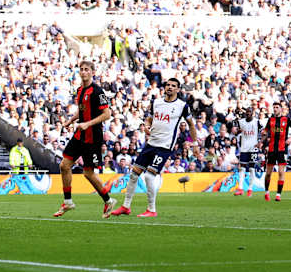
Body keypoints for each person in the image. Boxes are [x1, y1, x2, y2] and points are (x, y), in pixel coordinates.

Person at [111, 78, 197, 218]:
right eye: (168, 85)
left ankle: (151, 209)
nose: (169, 87)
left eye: (173, 86)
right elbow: (149, 119)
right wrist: (146, 126)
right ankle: (126, 206)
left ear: (178, 89)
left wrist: (195, 143)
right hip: (151, 143)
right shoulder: (156, 102)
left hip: (165, 146)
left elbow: (191, 125)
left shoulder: (182, 106)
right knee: (134, 174)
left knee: (150, 175)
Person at [54, 61, 116, 219]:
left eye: (86, 69)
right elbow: (82, 111)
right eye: (81, 69)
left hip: (92, 136)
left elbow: (107, 114)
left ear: (92, 72)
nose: (83, 72)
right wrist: (71, 120)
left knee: (88, 173)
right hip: (79, 134)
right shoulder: (80, 90)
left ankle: (108, 201)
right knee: (64, 165)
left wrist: (87, 124)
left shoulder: (97, 91)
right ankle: (68, 201)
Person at [261, 102, 291, 202]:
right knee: (268, 173)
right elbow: (266, 132)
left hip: (282, 149)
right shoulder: (270, 120)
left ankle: (278, 194)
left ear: (280, 109)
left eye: (277, 107)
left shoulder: (287, 119)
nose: (275, 109)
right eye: (274, 107)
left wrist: (290, 138)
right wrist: (263, 135)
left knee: (281, 172)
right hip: (271, 149)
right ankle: (267, 192)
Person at [233, 107, 262, 197]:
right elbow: (236, 133)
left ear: (253, 113)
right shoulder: (241, 122)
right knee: (242, 167)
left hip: (253, 148)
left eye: (250, 112)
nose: (248, 113)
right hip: (244, 148)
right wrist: (237, 131)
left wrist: (260, 142)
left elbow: (263, 132)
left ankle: (250, 189)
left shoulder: (257, 122)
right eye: (247, 112)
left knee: (251, 168)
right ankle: (240, 188)